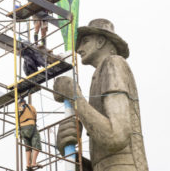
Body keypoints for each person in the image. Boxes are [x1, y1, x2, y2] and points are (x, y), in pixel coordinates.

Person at [53, 19, 149, 171]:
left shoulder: (113, 63)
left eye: (85, 41)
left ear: (100, 41)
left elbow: (115, 137)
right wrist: (72, 156)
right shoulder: (99, 75)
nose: (79, 49)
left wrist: (75, 97)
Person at [18, 98, 42, 171]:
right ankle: (33, 162)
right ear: (25, 102)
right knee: (37, 144)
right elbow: (35, 116)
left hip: (22, 129)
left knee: (28, 147)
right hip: (31, 126)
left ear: (20, 103)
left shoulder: (17, 109)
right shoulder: (31, 107)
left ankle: (28, 164)